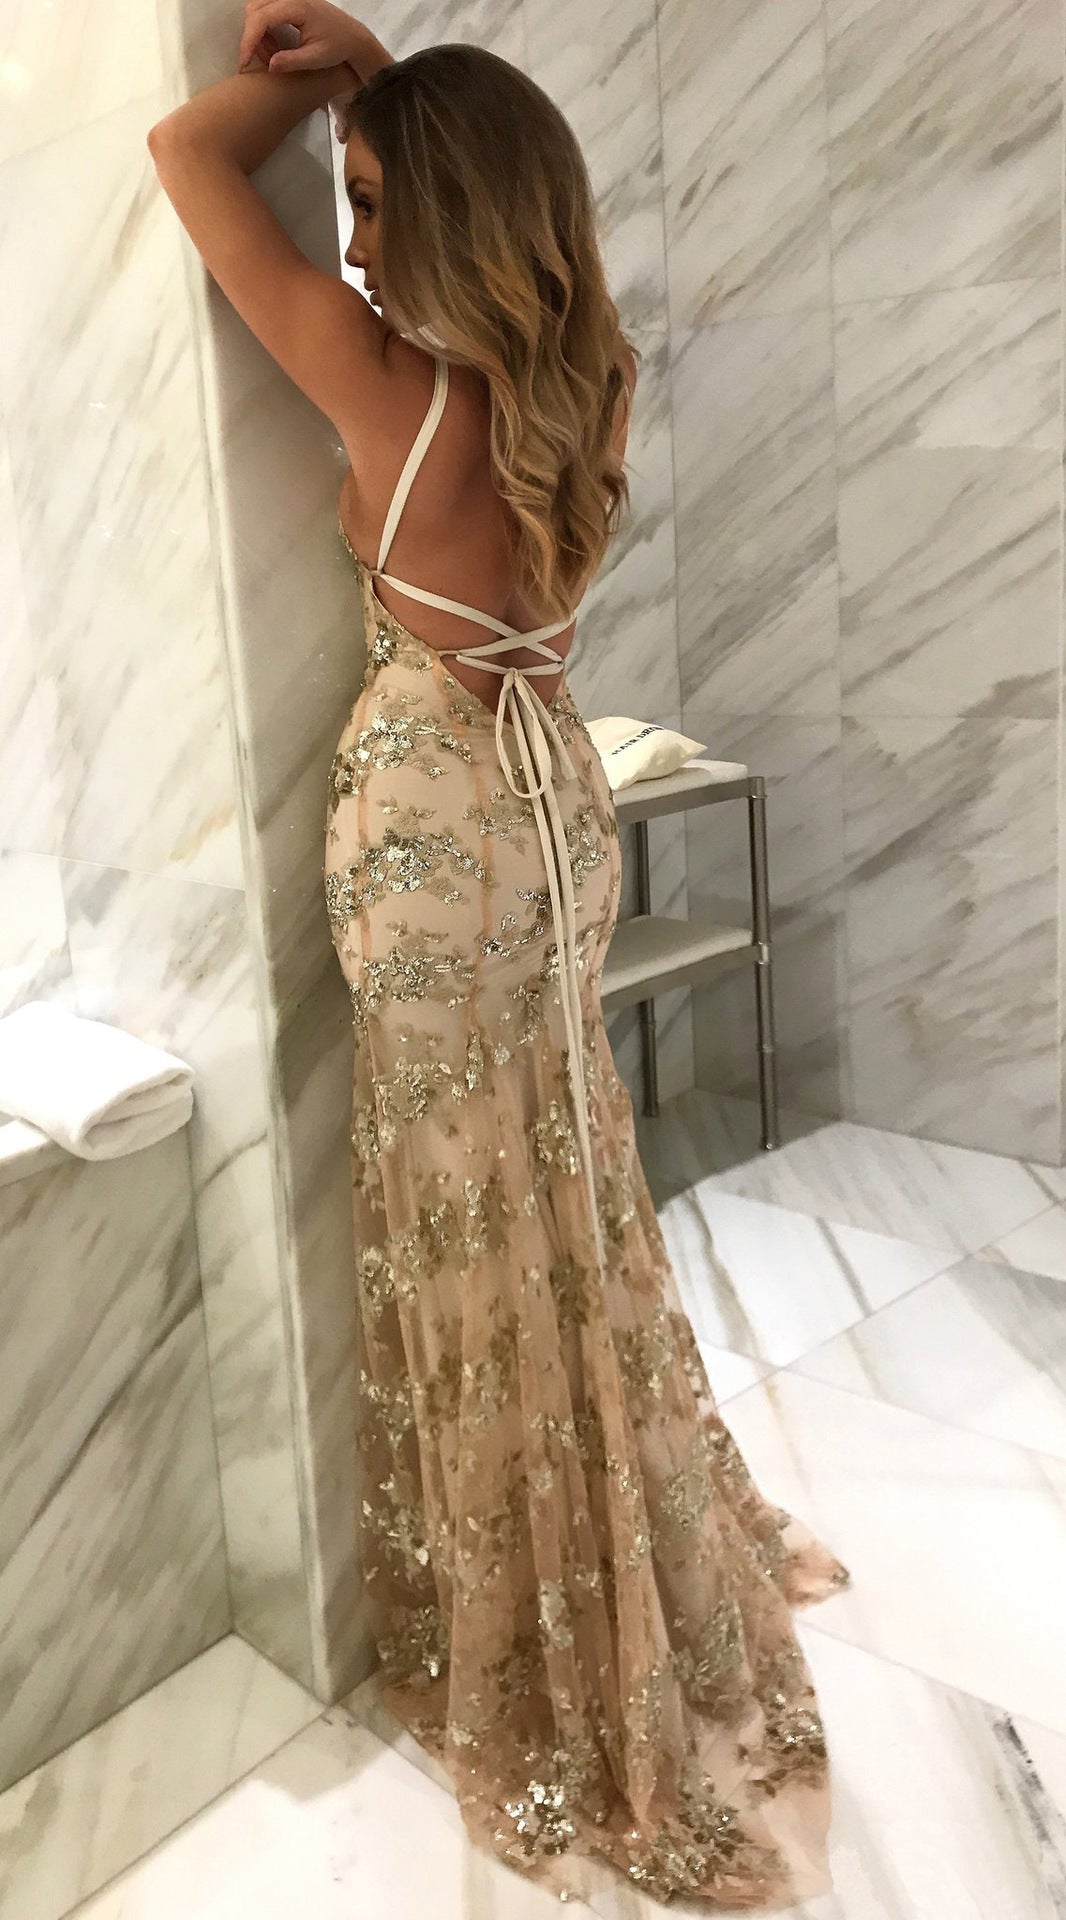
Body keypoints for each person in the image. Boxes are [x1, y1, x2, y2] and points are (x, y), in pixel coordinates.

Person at [148, 9, 852, 1906]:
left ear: (457, 214)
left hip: (436, 823)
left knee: (475, 1222)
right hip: (552, 808)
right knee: (562, 1188)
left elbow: (182, 157)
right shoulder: (584, 381)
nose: (357, 241)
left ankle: (538, 1625)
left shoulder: (389, 388)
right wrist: (381, 82)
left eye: (378, 203)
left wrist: (314, 82)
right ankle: (606, 1545)